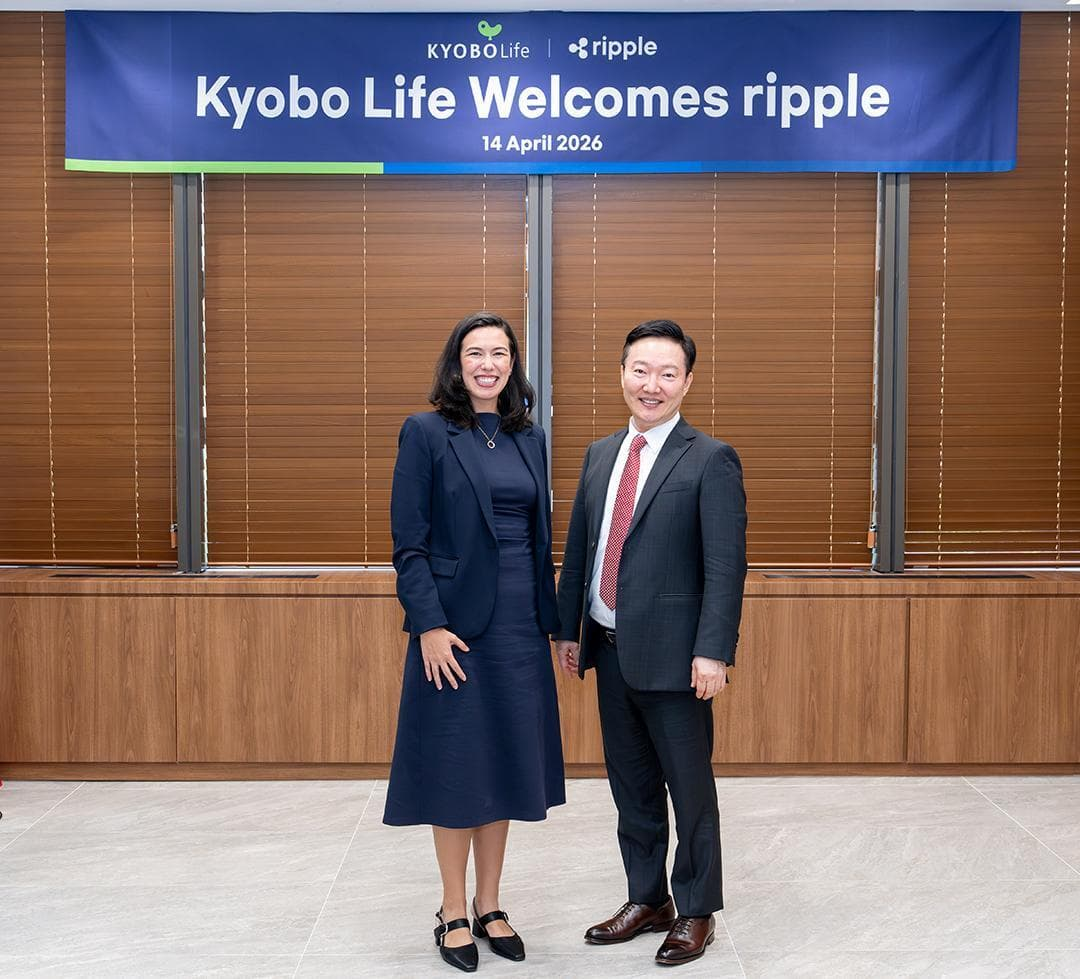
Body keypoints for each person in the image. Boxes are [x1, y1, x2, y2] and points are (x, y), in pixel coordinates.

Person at [555, 319, 747, 968]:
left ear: (687, 382)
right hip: (609, 650)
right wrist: (569, 629)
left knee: (689, 792)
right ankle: (648, 898)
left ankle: (696, 909)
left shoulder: (710, 458)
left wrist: (713, 650)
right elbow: (582, 551)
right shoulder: (601, 453)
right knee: (631, 787)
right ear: (622, 374)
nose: (652, 384)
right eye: (641, 370)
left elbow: (725, 566)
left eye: (668, 373)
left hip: (677, 659)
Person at [383, 311, 565, 973]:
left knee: (507, 764)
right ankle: (452, 907)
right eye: (475, 353)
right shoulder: (426, 432)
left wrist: (554, 627)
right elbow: (409, 544)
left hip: (520, 629)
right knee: (459, 766)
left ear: (513, 364)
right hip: (454, 630)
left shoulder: (529, 438)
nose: (488, 364)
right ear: (456, 364)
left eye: (499, 353)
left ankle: (491, 903)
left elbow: (540, 543)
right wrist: (429, 626)